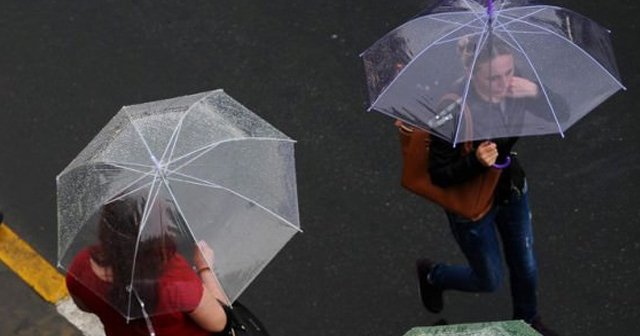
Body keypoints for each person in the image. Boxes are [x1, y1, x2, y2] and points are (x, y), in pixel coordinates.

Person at [410, 36, 562, 336]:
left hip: (511, 190)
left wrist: (535, 91)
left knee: (526, 266)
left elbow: (561, 112)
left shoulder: (517, 87)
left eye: (509, 72)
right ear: (471, 74)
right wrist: (476, 161)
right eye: (494, 77)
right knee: (488, 279)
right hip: (474, 206)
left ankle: (527, 321)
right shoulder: (452, 111)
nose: (504, 82)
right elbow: (439, 175)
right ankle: (433, 275)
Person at [65, 196, 229, 336]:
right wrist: (205, 268)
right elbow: (218, 322)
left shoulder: (81, 267)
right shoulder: (173, 277)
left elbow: (84, 307)